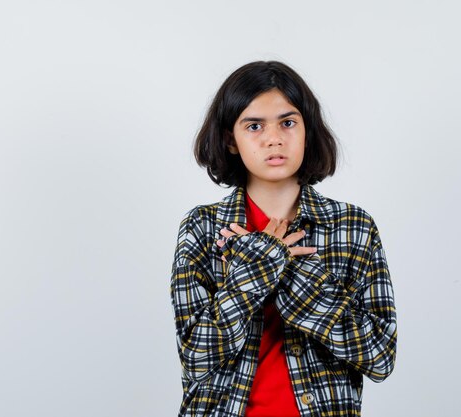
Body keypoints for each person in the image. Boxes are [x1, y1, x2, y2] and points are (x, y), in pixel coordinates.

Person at [170, 61, 397, 417]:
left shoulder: (353, 226)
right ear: (231, 139)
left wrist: (295, 275)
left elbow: (380, 357)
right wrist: (254, 273)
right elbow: (197, 357)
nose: (274, 138)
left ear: (308, 131)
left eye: (288, 123)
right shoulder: (203, 227)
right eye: (254, 125)